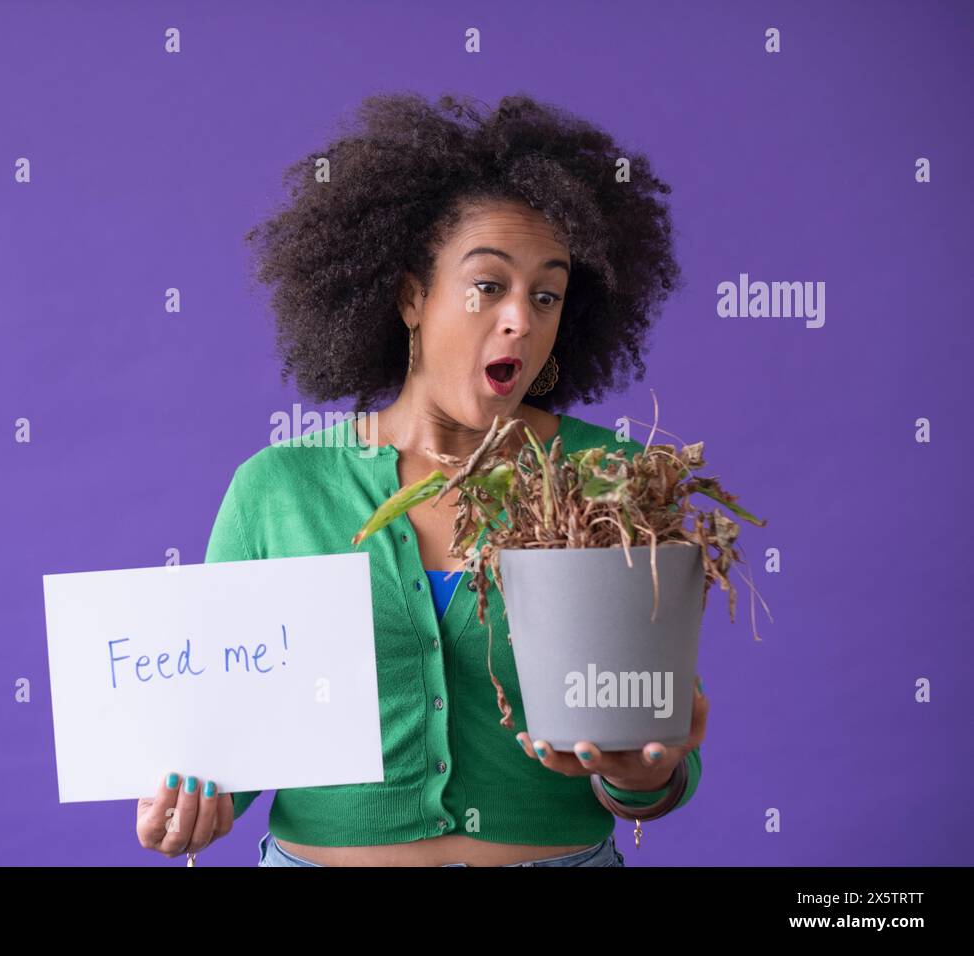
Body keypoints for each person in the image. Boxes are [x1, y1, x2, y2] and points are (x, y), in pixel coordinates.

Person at [137, 92, 708, 866]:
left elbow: (645, 759)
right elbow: (237, 739)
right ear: (411, 296)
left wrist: (648, 773)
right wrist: (195, 803)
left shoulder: (608, 481)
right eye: (488, 286)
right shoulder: (276, 489)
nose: (521, 320)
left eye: (547, 295)